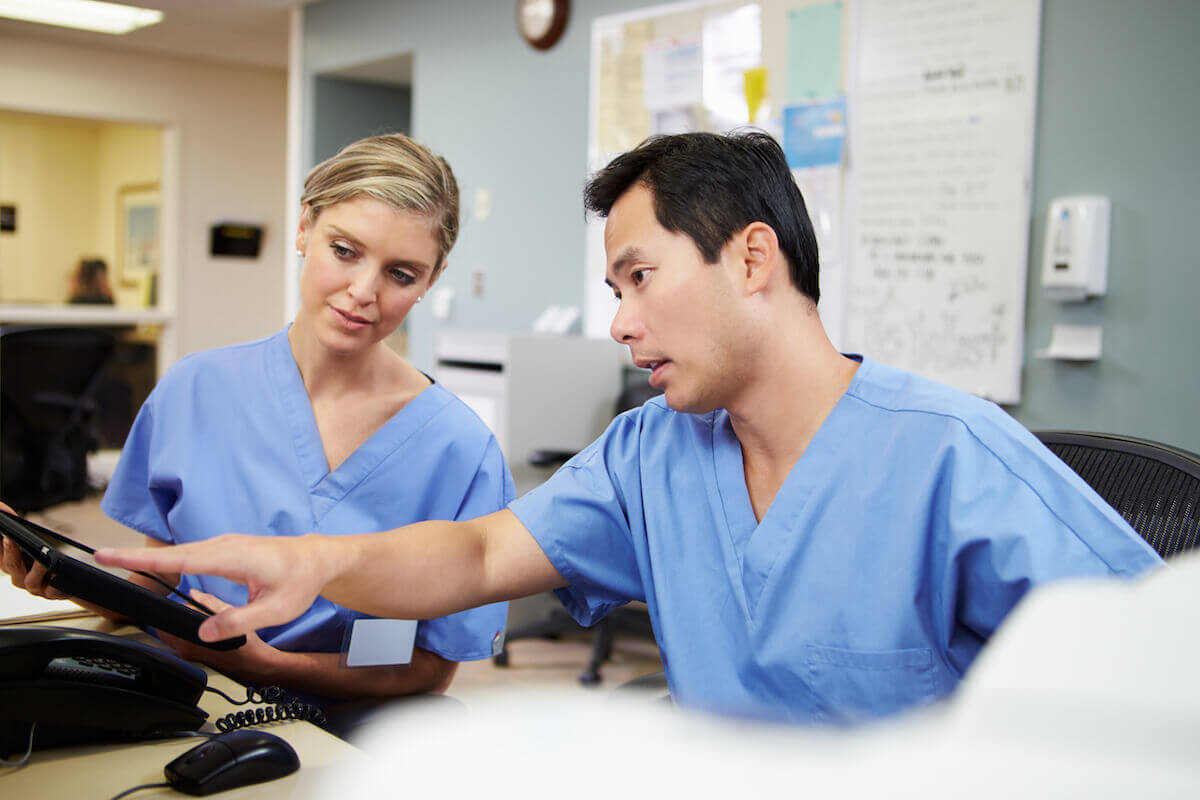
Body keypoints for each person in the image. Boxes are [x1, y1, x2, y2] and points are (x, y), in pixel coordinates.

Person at [94, 131, 1162, 724]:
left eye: (640, 278)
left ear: (752, 259)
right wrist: (314, 558)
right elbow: (473, 551)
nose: (619, 321)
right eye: (613, 286)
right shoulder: (655, 452)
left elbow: (1159, 679)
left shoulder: (949, 458)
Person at [2, 133, 511, 711]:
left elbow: (428, 668)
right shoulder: (195, 390)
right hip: (185, 698)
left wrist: (265, 665)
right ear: (303, 228)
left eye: (401, 274)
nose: (362, 292)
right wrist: (71, 578)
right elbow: (159, 589)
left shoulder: (460, 450)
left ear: (433, 278)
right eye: (345, 250)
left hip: (347, 725)